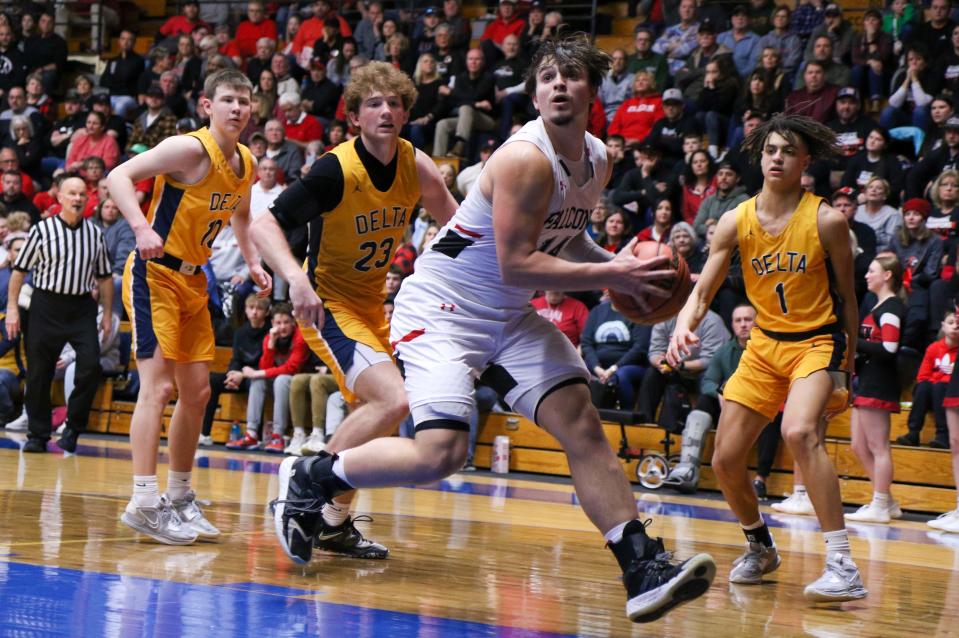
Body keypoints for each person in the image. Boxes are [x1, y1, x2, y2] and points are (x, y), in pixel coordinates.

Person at [267, 36, 717, 623]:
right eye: (548, 77)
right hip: (442, 310)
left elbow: (563, 237)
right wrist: (615, 272)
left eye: (572, 76)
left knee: (582, 422)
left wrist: (615, 271)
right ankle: (315, 474)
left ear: (591, 91)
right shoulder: (525, 158)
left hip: (506, 314)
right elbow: (518, 263)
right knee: (442, 452)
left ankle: (640, 566)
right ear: (533, 94)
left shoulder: (598, 159)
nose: (559, 85)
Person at [252, 61, 459, 559]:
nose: (386, 110)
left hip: (376, 305)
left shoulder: (417, 164)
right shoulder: (334, 169)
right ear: (355, 117)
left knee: (375, 412)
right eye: (374, 103)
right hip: (330, 305)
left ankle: (334, 522)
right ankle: (306, 484)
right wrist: (297, 279)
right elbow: (263, 224)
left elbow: (459, 230)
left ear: (407, 111)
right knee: (395, 401)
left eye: (394, 102)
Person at [667, 114, 866, 601]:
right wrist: (681, 325)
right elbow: (705, 287)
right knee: (726, 458)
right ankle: (760, 546)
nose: (777, 157)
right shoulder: (737, 218)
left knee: (799, 431)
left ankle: (842, 564)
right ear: (759, 157)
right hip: (763, 346)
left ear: (805, 161)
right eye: (770, 150)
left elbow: (848, 299)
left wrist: (846, 366)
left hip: (817, 342)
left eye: (788, 151)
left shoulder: (827, 219)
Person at [106, 69, 272, 545]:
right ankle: (142, 501)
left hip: (196, 281)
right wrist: (140, 226)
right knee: (156, 390)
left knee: (197, 393)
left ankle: (179, 497)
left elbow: (241, 214)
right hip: (154, 274)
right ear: (207, 106)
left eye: (244, 101)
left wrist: (254, 261)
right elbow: (120, 175)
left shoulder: (245, 160)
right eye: (228, 100)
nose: (237, 108)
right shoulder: (188, 149)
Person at [6, 176, 113, 454]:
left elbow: (104, 278)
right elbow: (19, 272)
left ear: (88, 200)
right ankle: (38, 434)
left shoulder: (95, 234)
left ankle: (72, 428)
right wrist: (13, 309)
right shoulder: (42, 231)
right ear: (61, 199)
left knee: (90, 365)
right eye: (72, 194)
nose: (78, 198)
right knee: (39, 373)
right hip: (45, 306)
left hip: (81, 308)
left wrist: (108, 313)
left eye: (82, 194)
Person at [846, 255, 906, 524]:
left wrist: (853, 342)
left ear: (887, 276)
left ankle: (880, 503)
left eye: (872, 271)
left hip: (880, 382)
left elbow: (890, 349)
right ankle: (887, 500)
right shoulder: (877, 305)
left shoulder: (891, 308)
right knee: (859, 445)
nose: (867, 275)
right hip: (867, 379)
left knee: (878, 446)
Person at [199, 294, 270, 446]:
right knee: (212, 380)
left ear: (266, 312)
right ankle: (204, 433)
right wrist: (232, 373)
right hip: (241, 375)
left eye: (259, 308)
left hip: (258, 376)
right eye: (251, 308)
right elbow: (236, 358)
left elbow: (267, 362)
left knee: (257, 382)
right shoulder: (240, 332)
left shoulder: (270, 332)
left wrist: (242, 374)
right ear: (245, 310)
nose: (255, 312)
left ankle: (255, 435)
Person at [898, 310, 957, 448]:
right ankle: (913, 432)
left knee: (938, 386)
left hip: (951, 396)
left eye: (958, 323)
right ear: (943, 325)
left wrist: (939, 381)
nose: (954, 326)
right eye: (950, 322)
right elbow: (923, 375)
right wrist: (939, 380)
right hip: (933, 394)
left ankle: (943, 434)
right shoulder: (933, 348)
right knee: (924, 386)